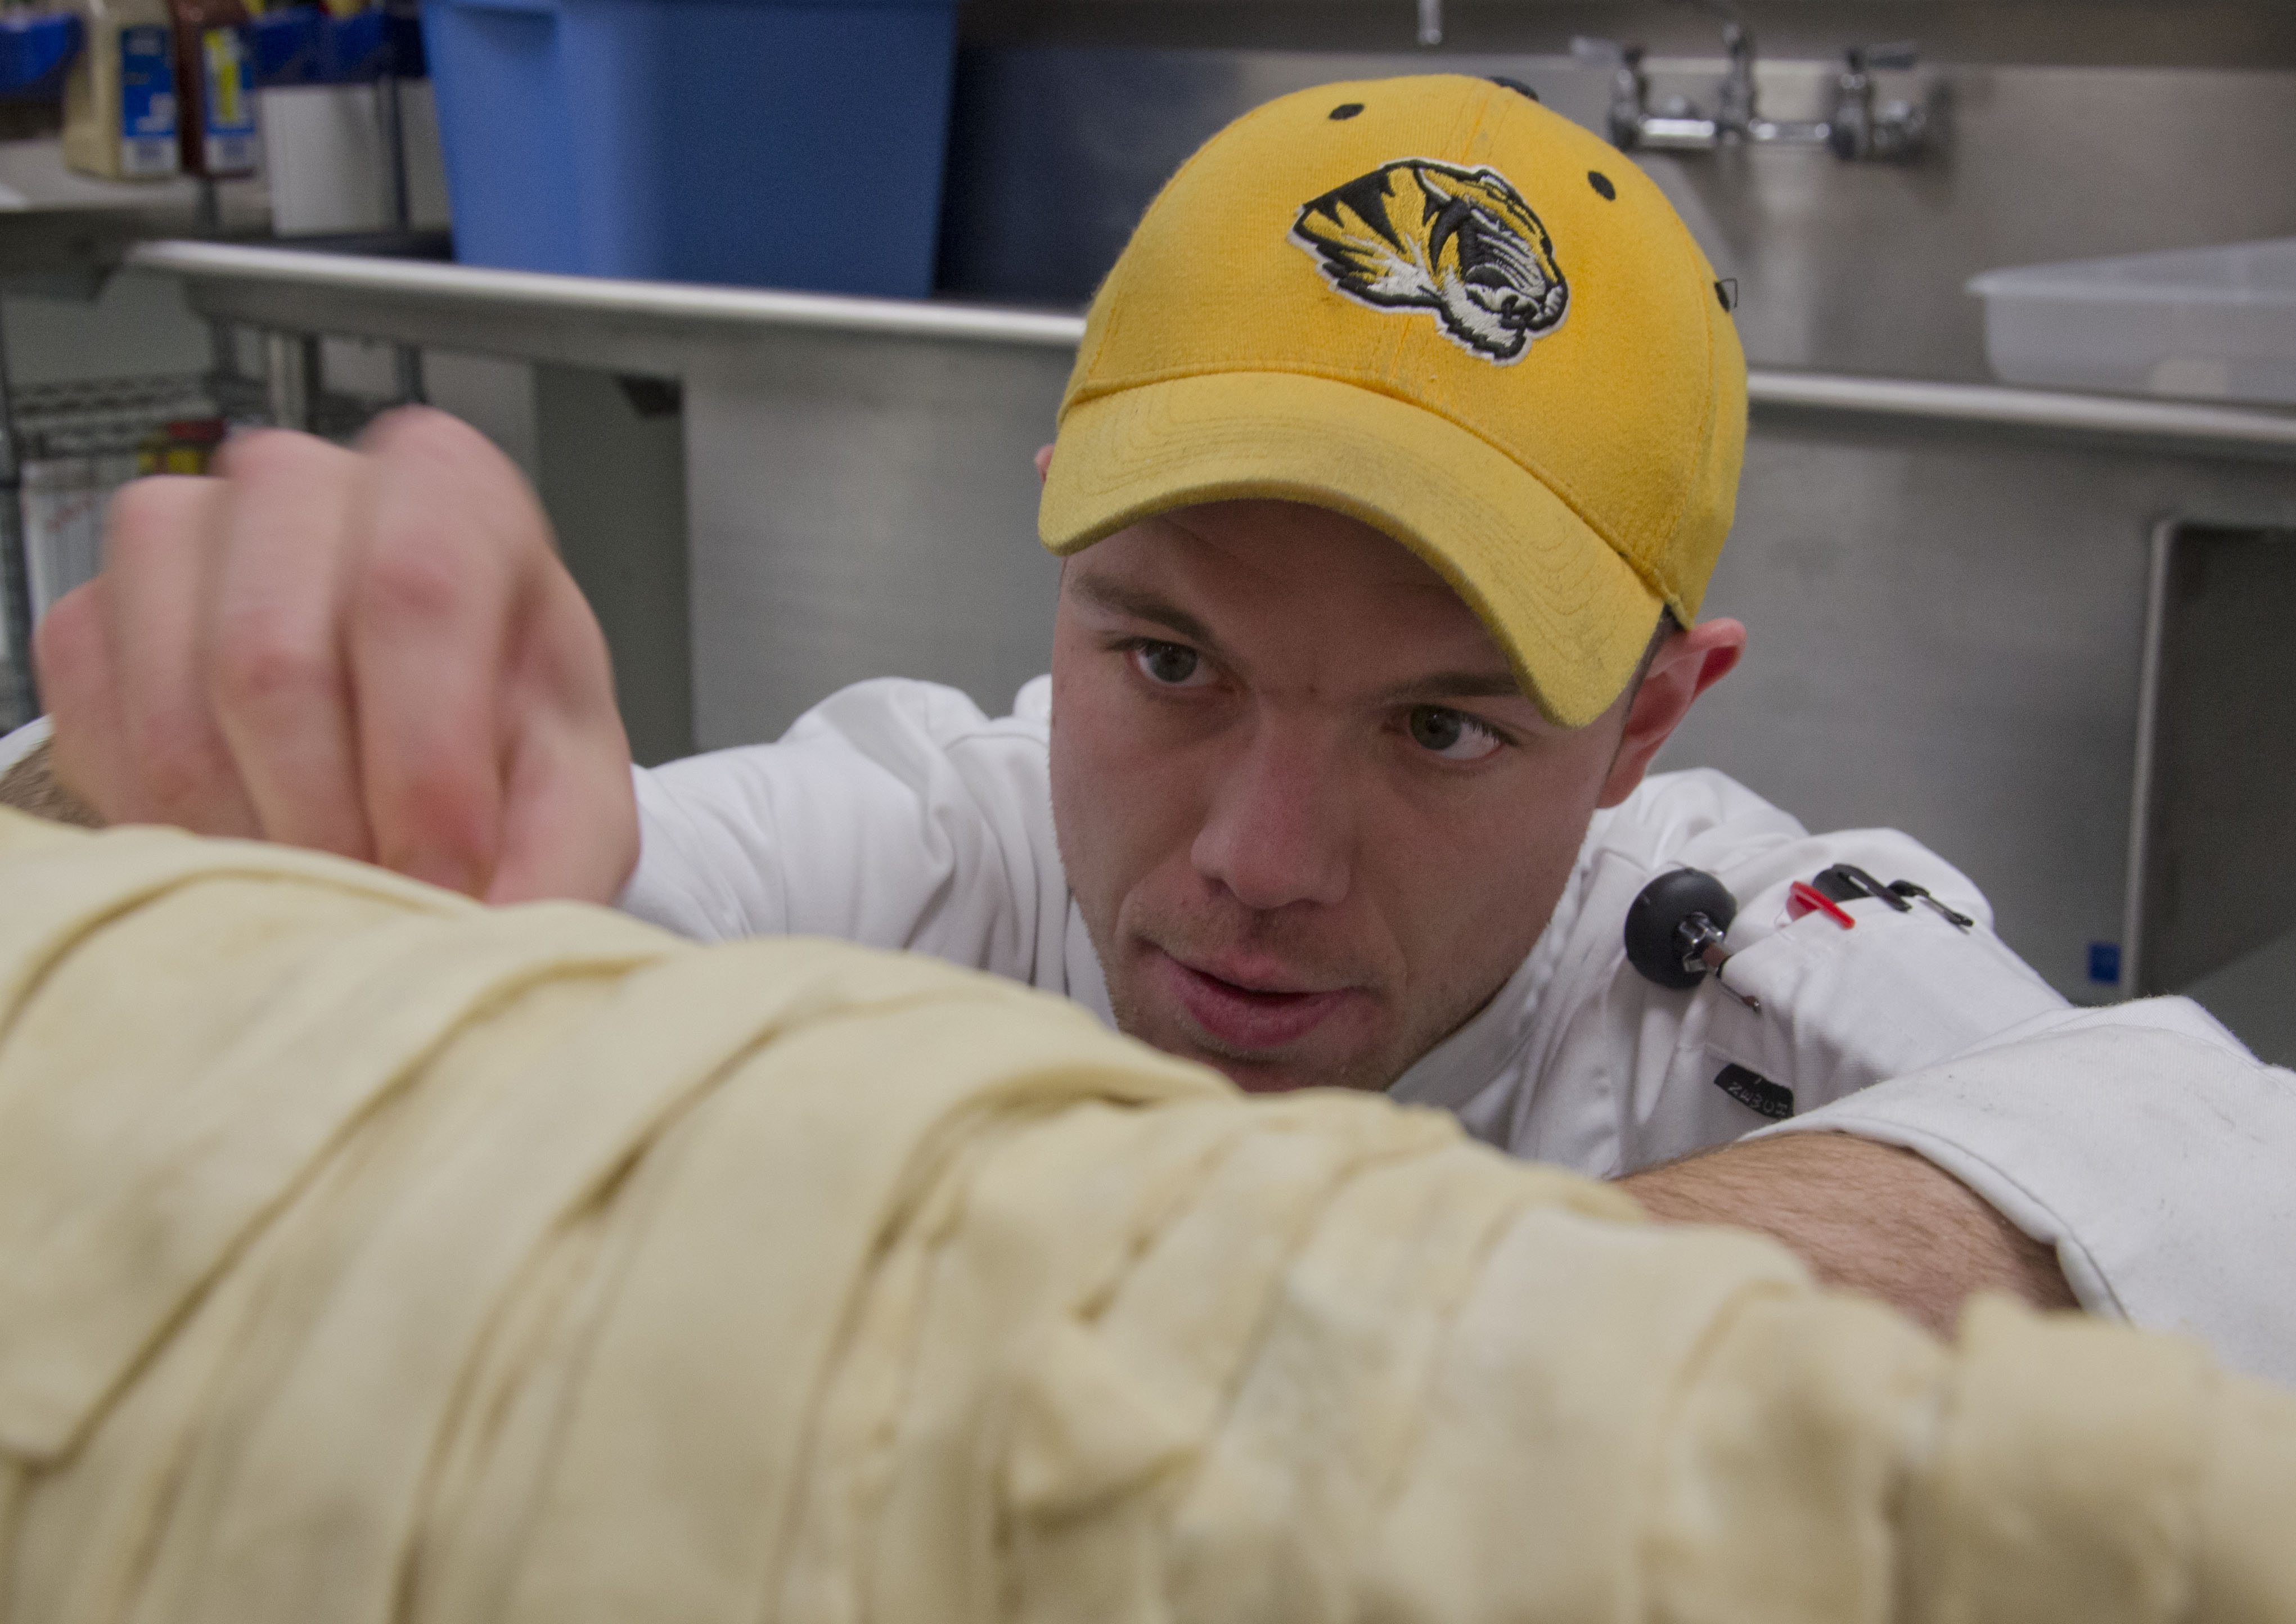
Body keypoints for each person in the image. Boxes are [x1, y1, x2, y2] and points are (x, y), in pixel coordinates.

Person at [4, 75, 2291, 1373]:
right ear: (1057, 568)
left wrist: (1448, 1332)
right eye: (1169, 663)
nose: (1257, 861)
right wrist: (148, 802)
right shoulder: (939, 849)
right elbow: (334, 936)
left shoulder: (1751, 973)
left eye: (1440, 728)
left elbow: (2221, 1177)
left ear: (1641, 724)